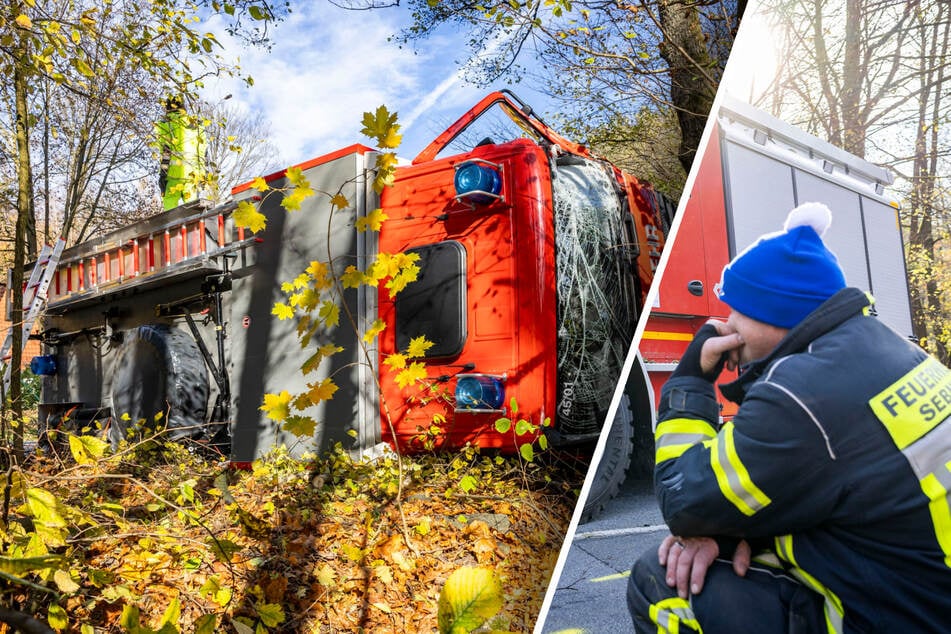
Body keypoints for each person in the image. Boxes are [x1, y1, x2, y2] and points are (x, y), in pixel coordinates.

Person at [627, 202, 951, 633]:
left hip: (902, 617)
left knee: (659, 582)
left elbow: (684, 501)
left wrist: (691, 381)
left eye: (736, 309)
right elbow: (841, 483)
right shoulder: (889, 348)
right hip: (923, 588)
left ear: (772, 311)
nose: (727, 323)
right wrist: (737, 532)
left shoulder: (797, 395)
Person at [155, 95, 207, 211]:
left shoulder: (164, 124)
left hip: (172, 176)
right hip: (192, 177)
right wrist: (202, 175)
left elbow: (165, 152)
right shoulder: (196, 124)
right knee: (192, 213)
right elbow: (202, 153)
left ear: (167, 107)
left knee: (169, 215)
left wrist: (163, 175)